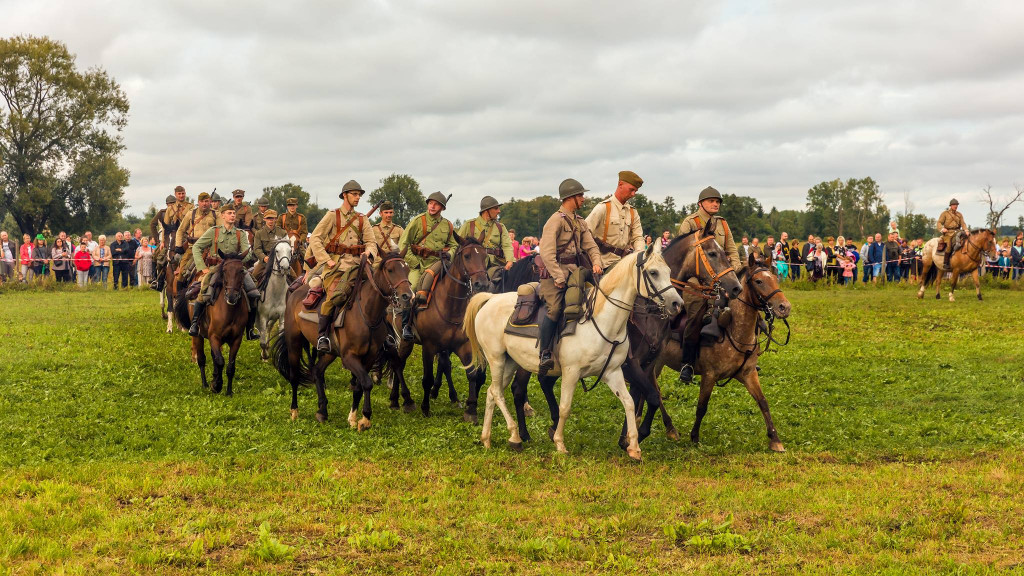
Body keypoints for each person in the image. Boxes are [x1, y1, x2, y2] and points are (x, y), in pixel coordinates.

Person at [301, 180, 378, 351]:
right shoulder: (332, 215)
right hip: (337, 268)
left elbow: (371, 242)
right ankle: (322, 336)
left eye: (359, 195)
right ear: (345, 195)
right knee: (334, 298)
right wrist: (326, 260)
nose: (358, 198)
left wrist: (369, 253)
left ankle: (385, 334)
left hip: (359, 267)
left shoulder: (362, 218)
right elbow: (315, 238)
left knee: (379, 292)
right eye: (354, 194)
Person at [537, 178, 603, 375]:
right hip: (553, 275)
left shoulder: (579, 221)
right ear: (570, 198)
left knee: (595, 301)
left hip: (576, 273)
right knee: (555, 309)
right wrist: (558, 277)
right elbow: (546, 253)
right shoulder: (555, 221)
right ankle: (545, 353)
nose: (583, 199)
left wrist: (597, 261)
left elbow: (590, 245)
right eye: (580, 195)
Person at [676, 186, 741, 383]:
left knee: (743, 306)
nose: (715, 204)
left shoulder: (723, 224)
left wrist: (735, 272)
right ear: (700, 203)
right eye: (712, 201)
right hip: (695, 281)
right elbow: (682, 256)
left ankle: (743, 356)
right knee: (696, 314)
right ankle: (687, 363)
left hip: (722, 277)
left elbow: (732, 251)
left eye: (718, 201)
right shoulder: (690, 223)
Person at [189, 204, 260, 339]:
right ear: (222, 216)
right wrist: (202, 267)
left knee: (253, 292)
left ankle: (250, 329)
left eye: (233, 213)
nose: (232, 215)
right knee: (204, 290)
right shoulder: (213, 231)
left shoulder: (240, 234)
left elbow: (248, 254)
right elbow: (196, 247)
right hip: (216, 268)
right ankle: (195, 323)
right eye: (229, 213)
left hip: (236, 268)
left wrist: (236, 260)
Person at [396, 191, 459, 340]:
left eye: (436, 204)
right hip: (417, 264)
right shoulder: (418, 220)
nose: (432, 206)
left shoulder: (448, 225)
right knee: (411, 290)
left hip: (438, 264)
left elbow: (454, 245)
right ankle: (406, 325)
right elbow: (403, 244)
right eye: (430, 203)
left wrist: (450, 254)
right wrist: (415, 263)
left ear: (442, 208)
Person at [584, 171, 645, 270]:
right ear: (620, 184)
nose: (633, 194)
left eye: (636, 191)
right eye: (631, 190)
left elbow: (638, 237)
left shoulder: (633, 212)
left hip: (624, 263)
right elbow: (585, 233)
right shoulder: (603, 208)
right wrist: (595, 260)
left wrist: (639, 253)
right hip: (603, 264)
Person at [459, 195, 514, 284]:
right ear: (486, 211)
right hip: (474, 265)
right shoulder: (469, 225)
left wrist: (510, 261)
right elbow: (457, 243)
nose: (499, 211)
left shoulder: (500, 227)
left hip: (494, 264)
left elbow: (507, 246)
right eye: (496, 208)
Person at [174, 192, 217, 286]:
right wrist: (178, 245)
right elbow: (180, 230)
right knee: (182, 271)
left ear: (210, 202)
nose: (204, 203)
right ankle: (179, 298)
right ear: (198, 202)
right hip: (193, 248)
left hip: (211, 249)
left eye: (206, 201)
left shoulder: (215, 214)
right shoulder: (191, 214)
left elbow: (222, 230)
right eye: (202, 201)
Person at [149, 195, 177, 289]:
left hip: (177, 241)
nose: (172, 205)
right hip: (164, 241)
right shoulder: (162, 213)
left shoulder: (180, 213)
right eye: (170, 204)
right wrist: (157, 241)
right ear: (167, 204)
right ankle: (156, 279)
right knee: (156, 256)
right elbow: (152, 224)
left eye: (173, 203)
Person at [251, 210, 286, 281]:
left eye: (272, 218)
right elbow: (257, 249)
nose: (271, 221)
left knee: (294, 276)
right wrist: (264, 258)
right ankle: (256, 292)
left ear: (276, 219)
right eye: (268, 218)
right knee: (253, 277)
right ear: (264, 219)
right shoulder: (259, 233)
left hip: (280, 260)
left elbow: (286, 247)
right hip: (265, 261)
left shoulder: (282, 232)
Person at [937, 198, 967, 269]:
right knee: (949, 246)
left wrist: (966, 230)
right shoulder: (945, 213)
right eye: (954, 205)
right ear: (950, 205)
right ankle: (946, 263)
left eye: (956, 205)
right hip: (948, 233)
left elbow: (963, 223)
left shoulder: (959, 214)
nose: (955, 206)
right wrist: (942, 229)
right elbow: (939, 223)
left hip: (958, 232)